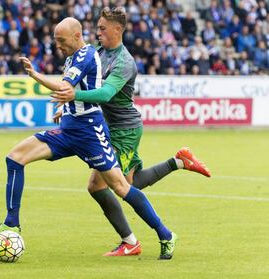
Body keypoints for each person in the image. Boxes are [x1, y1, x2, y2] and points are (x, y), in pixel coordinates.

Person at [0, 17, 176, 260]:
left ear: (76, 36)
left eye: (61, 41)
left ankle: (165, 234)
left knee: (120, 186)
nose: (58, 46)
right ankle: (11, 223)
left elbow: (66, 88)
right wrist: (65, 108)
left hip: (90, 133)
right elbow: (71, 95)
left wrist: (34, 75)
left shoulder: (85, 55)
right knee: (15, 157)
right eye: (56, 41)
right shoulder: (73, 57)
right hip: (68, 130)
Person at [51, 8, 211, 259]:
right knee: (127, 184)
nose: (98, 32)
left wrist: (74, 96)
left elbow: (105, 94)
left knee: (108, 185)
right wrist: (67, 105)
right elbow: (83, 81)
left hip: (124, 130)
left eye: (103, 28)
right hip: (105, 125)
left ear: (118, 30)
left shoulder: (124, 62)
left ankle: (150, 238)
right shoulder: (99, 52)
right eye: (98, 27)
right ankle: (179, 161)